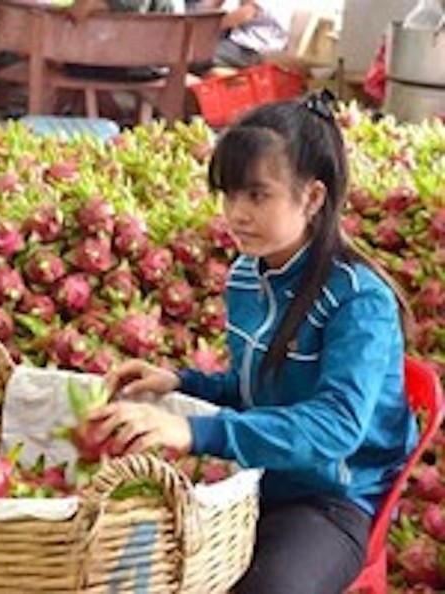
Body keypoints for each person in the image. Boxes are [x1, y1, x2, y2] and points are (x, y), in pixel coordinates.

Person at [89, 93, 418, 593]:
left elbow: (336, 427)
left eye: (257, 196)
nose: (237, 214)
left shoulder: (358, 301)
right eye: (229, 195)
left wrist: (195, 431)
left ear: (312, 198)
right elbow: (258, 388)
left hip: (330, 500)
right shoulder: (246, 276)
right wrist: (182, 381)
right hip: (254, 480)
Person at [197, 0, 294, 68]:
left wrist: (204, 29)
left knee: (189, 56)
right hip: (238, 39)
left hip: (252, 49)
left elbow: (245, 14)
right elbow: (207, 7)